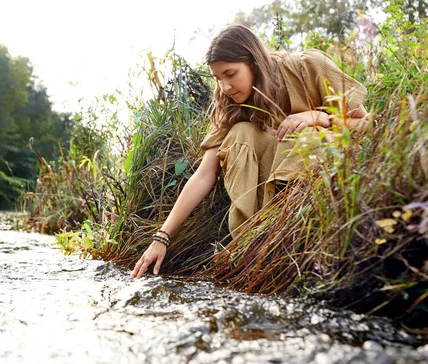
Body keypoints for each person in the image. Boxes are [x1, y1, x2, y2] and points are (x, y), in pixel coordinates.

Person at [131, 24, 369, 279]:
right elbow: (204, 174)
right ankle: (253, 241)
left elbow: (365, 124)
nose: (224, 87)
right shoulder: (228, 103)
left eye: (230, 74)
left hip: (322, 180)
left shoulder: (307, 66)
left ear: (254, 62)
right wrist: (162, 238)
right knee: (240, 133)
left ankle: (298, 238)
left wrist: (317, 117)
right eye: (218, 78)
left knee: (301, 137)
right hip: (269, 187)